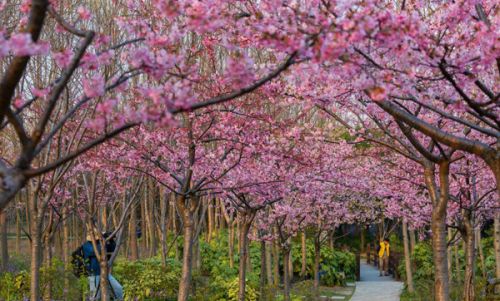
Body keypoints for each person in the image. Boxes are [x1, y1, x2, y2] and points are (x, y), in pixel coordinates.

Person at [81, 228, 124, 300]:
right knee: (95, 297)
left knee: (118, 289)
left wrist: (111, 239)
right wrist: (104, 238)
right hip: (94, 275)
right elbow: (96, 251)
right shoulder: (86, 246)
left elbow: (112, 249)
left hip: (106, 274)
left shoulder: (100, 243)